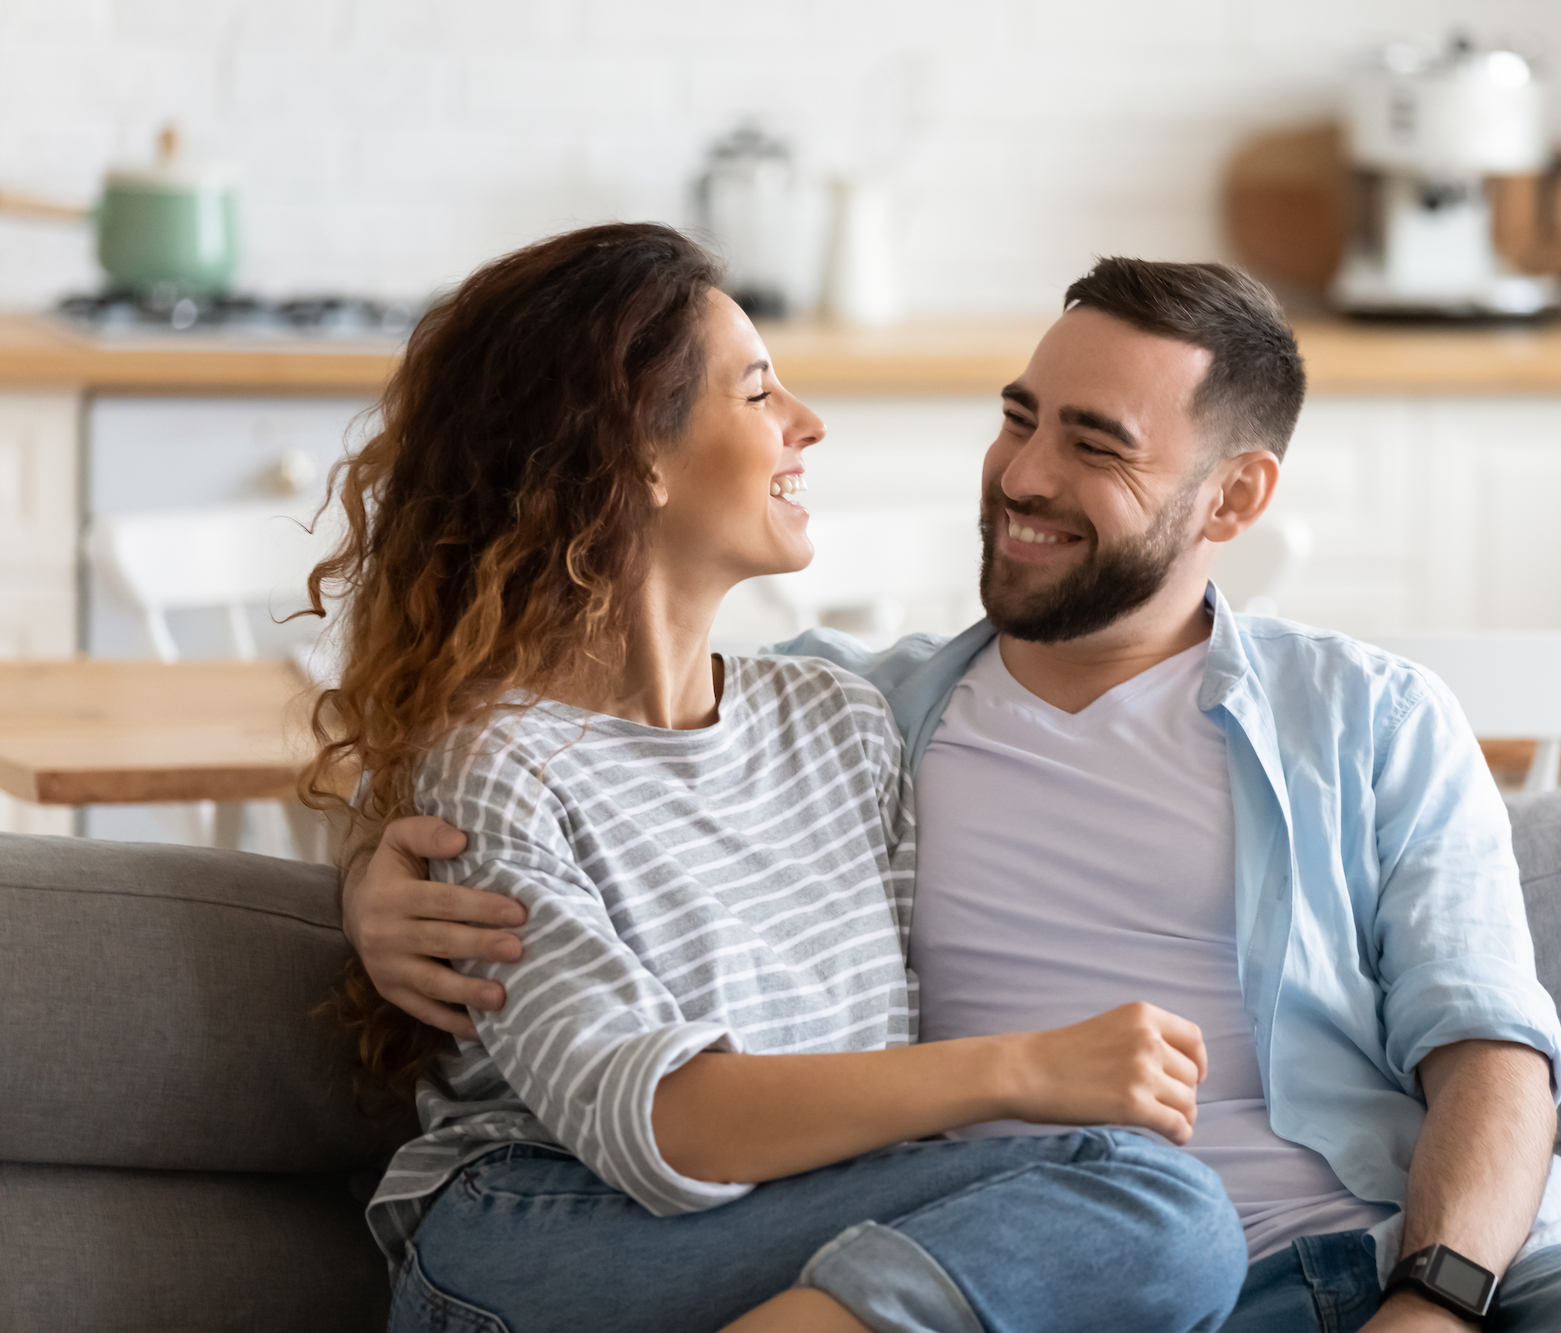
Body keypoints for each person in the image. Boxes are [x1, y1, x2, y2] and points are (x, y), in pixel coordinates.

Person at [345, 255, 1561, 1333]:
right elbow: (563, 751)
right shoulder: (887, 710)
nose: (1022, 475)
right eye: (1019, 417)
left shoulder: (1370, 717)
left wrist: (1439, 1299)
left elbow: (1495, 1054)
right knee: (1157, 1215)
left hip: (1431, 1269)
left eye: (1094, 445)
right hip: (1098, 1279)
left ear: (1233, 500)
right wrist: (371, 887)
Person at [305, 223, 1250, 1333]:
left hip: (791, 1239)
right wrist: (1024, 1071)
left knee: (1155, 1219)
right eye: (757, 393)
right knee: (1156, 1207)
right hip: (539, 1230)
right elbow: (653, 1121)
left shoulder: (842, 719)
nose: (806, 423)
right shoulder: (493, 765)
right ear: (633, 451)